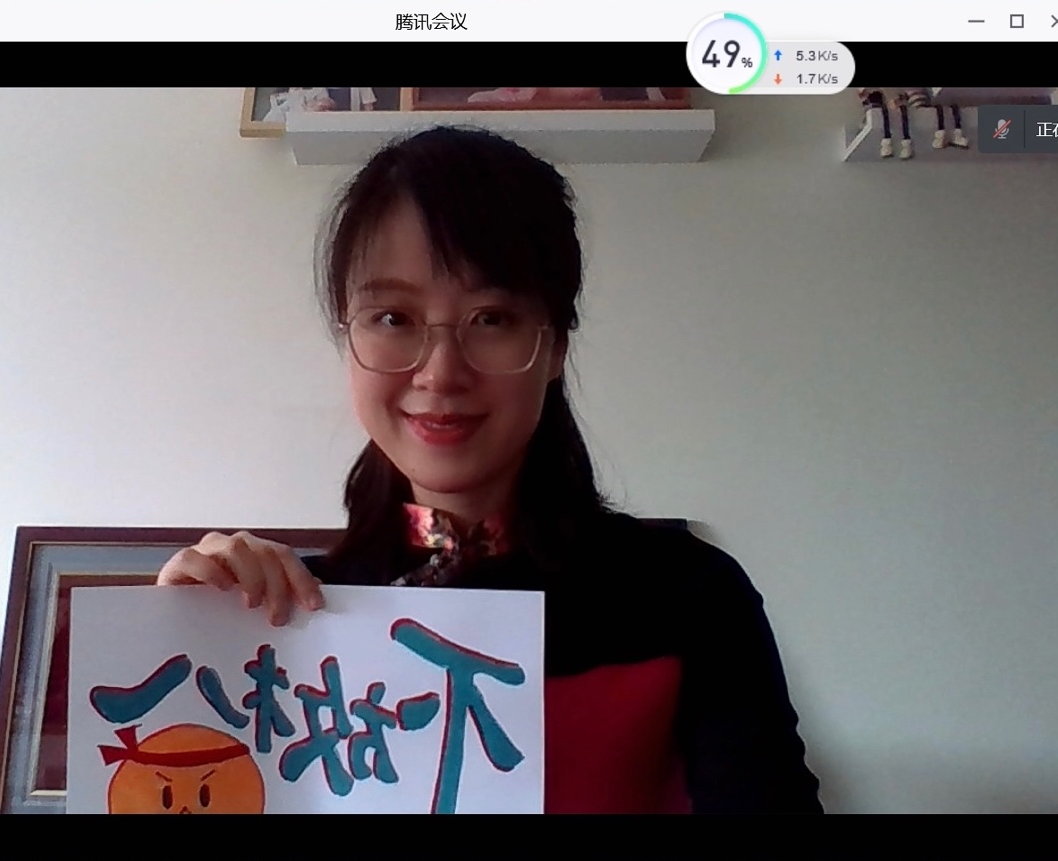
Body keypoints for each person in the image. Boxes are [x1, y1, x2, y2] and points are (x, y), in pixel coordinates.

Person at [156, 124, 824, 814]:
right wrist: (179, 640)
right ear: (347, 338)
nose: (440, 372)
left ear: (555, 345)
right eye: (393, 317)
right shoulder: (287, 616)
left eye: (492, 318)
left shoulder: (686, 595)